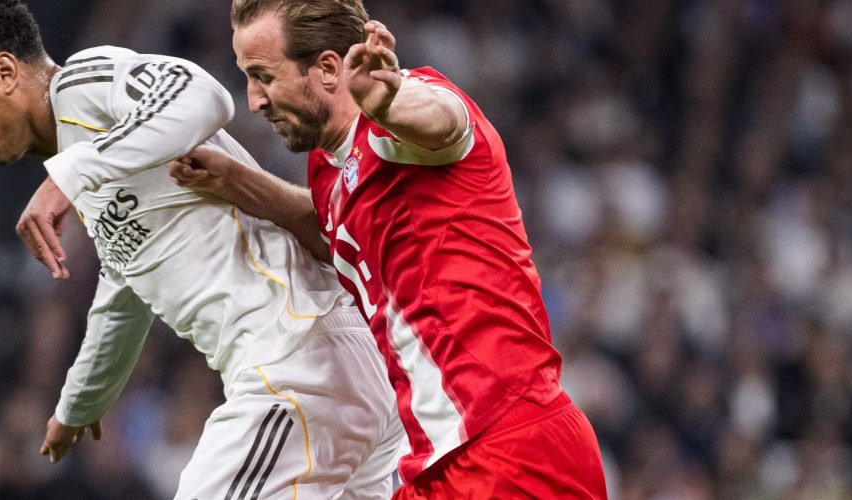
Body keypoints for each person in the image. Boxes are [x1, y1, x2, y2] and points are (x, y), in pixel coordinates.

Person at [0, 1, 404, 499]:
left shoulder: (82, 84)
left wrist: (65, 177)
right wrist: (77, 408)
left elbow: (205, 96)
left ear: (4, 72)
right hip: (330, 372)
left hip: (298, 364)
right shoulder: (99, 165)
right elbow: (124, 297)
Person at [164, 1, 608, 497]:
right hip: (444, 464)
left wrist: (389, 100)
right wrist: (236, 181)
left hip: (510, 448)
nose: (253, 100)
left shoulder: (409, 113)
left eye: (264, 76)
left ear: (329, 69)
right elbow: (334, 234)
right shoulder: (329, 167)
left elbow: (442, 124)